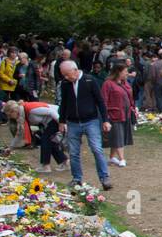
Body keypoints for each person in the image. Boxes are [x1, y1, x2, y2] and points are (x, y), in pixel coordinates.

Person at [56, 60, 112, 190]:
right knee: (74, 152)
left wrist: (105, 120)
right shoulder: (65, 84)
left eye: (66, 74)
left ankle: (105, 177)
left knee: (96, 149)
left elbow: (100, 101)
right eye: (63, 74)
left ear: (75, 70)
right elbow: (63, 103)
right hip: (72, 122)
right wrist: (62, 121)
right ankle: (77, 179)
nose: (65, 77)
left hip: (91, 120)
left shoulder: (89, 80)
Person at [101, 63, 136, 168]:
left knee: (119, 135)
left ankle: (112, 157)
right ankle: (121, 158)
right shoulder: (108, 84)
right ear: (118, 72)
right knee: (118, 136)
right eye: (125, 71)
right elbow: (103, 100)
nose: (127, 73)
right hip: (114, 114)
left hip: (125, 114)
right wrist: (105, 116)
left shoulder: (124, 83)